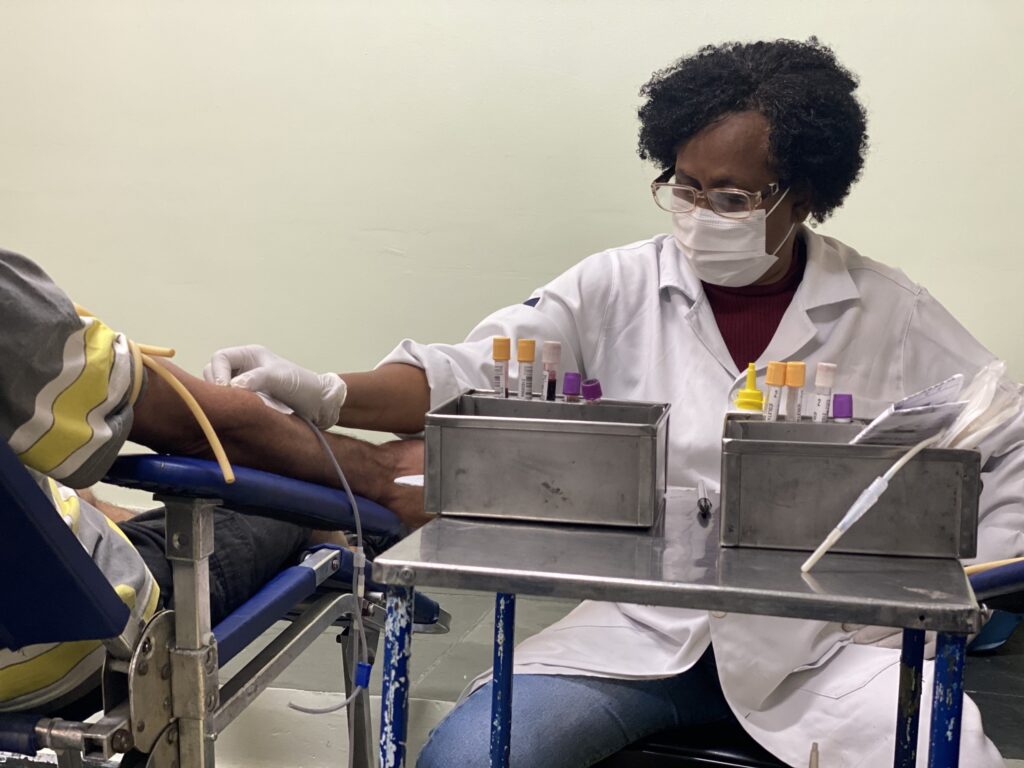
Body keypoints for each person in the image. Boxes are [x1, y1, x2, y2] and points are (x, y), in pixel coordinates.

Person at [208, 39, 1022, 767]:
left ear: (802, 195)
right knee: (469, 758)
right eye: (685, 187)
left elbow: (1009, 429)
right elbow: (470, 372)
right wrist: (327, 390)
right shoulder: (618, 285)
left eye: (732, 198)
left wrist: (966, 588)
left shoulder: (887, 312)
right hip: (639, 636)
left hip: (825, 650)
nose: (700, 215)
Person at [0, 250, 424, 718]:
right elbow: (202, 428)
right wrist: (382, 473)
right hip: (76, 645)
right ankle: (349, 538)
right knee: (284, 501)